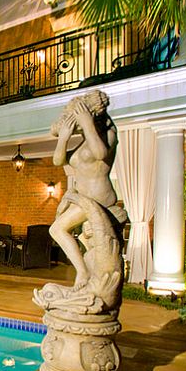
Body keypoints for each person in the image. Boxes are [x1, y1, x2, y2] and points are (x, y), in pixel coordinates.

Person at [48, 90, 125, 288]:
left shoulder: (107, 134)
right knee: (64, 231)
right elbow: (58, 160)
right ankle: (85, 271)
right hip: (82, 197)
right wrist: (63, 138)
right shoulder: (84, 140)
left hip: (97, 197)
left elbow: (100, 153)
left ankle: (82, 272)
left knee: (57, 229)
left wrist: (86, 123)